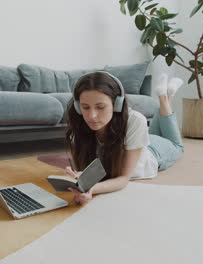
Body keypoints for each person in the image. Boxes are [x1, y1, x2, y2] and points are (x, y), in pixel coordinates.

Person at [65, 71, 184, 205]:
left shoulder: (135, 120)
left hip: (153, 152)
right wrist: (78, 178)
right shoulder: (79, 123)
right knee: (155, 131)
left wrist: (92, 188)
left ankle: (164, 97)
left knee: (177, 146)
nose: (92, 116)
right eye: (85, 107)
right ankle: (165, 94)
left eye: (100, 107)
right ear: (78, 107)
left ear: (117, 104)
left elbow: (123, 178)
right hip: (137, 141)